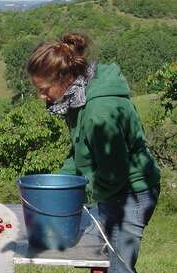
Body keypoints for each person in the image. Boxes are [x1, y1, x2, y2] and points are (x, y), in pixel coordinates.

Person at [26, 33, 161, 273]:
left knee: (118, 266)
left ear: (65, 77)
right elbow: (80, 149)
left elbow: (114, 174)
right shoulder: (77, 95)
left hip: (130, 193)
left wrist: (74, 196)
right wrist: (59, 184)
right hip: (111, 187)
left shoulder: (100, 111)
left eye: (44, 89)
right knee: (99, 261)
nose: (41, 96)